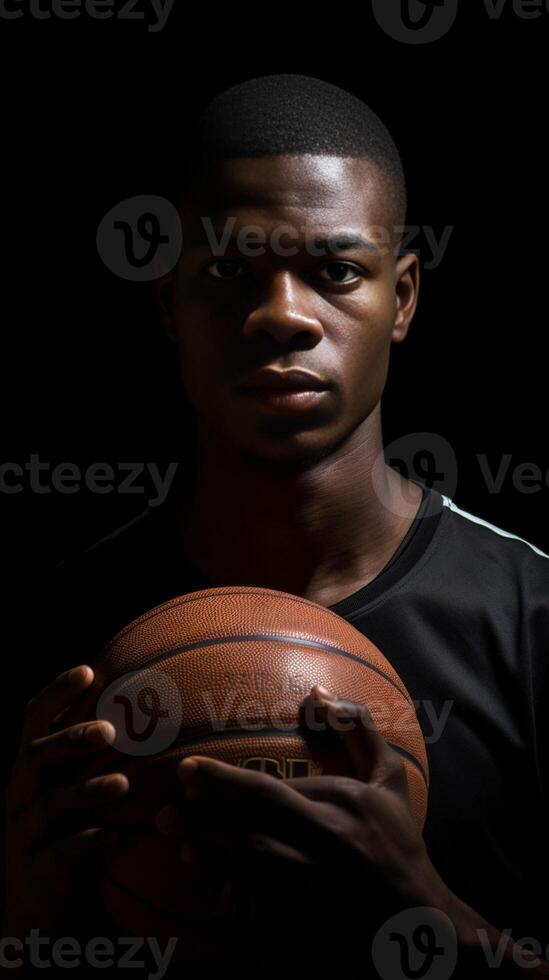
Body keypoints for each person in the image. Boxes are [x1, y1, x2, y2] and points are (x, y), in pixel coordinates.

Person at [2, 73, 548, 979]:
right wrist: (28, 922)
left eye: (335, 271)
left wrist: (424, 913)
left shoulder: (531, 623)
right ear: (166, 306)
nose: (282, 316)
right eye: (227, 273)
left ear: (402, 297)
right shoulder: (63, 641)